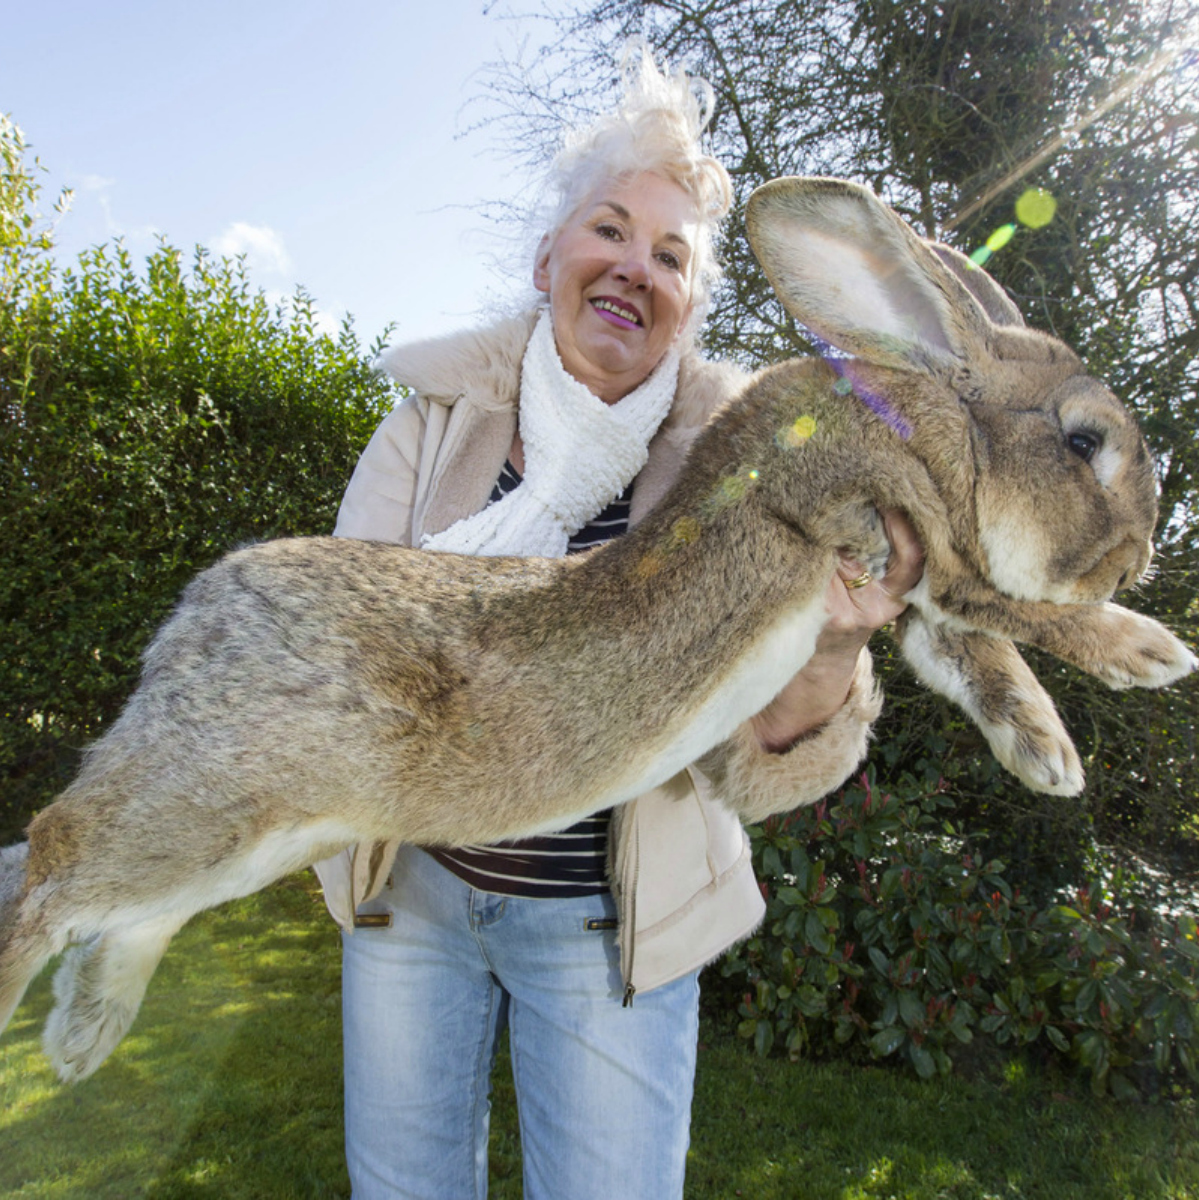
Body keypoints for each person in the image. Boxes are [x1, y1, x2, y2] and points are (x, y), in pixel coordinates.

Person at [313, 47, 923, 1200]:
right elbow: (341, 650)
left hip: (610, 924)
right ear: (549, 258)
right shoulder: (430, 426)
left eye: (671, 256)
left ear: (690, 308)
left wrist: (837, 641)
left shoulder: (746, 471)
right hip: (416, 898)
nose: (634, 268)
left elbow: (753, 764)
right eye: (610, 230)